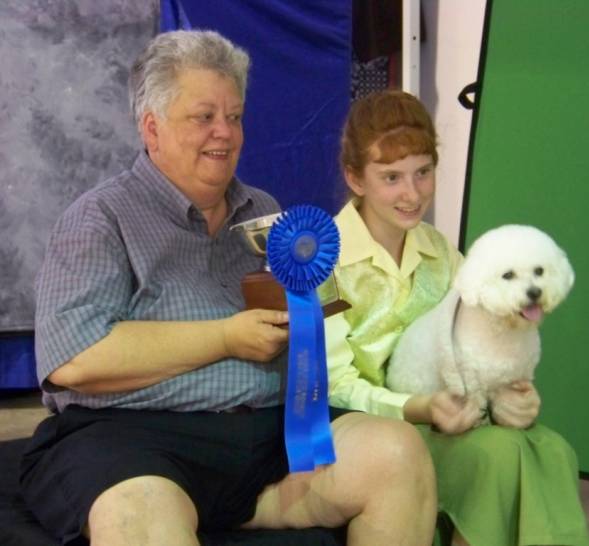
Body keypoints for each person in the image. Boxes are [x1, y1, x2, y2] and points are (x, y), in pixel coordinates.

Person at [20, 31, 437, 546]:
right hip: (134, 440)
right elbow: (74, 359)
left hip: (270, 439)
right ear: (152, 128)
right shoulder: (99, 218)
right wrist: (225, 337)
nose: (225, 132)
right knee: (139, 515)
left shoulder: (265, 211)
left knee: (398, 454)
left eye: (234, 116)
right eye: (204, 117)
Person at [325, 90, 589, 546]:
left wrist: (513, 399)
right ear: (355, 177)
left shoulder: (441, 251)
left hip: (447, 422)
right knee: (497, 457)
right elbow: (334, 386)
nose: (412, 194)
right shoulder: (321, 258)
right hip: (365, 431)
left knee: (551, 449)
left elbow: (482, 343)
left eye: (423, 172)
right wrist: (419, 407)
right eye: (391, 177)